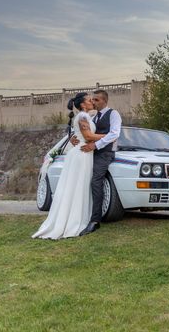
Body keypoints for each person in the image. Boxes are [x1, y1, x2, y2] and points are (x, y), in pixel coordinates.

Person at [32, 93, 105, 240]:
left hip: (84, 154)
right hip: (81, 155)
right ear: (83, 105)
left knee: (80, 187)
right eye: (89, 100)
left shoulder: (85, 117)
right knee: (78, 187)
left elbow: (80, 136)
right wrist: (110, 135)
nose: (92, 101)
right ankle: (73, 221)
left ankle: (77, 217)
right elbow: (88, 136)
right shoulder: (82, 117)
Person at [75, 89, 121, 236]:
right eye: (92, 100)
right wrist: (74, 138)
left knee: (95, 181)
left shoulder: (114, 114)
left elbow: (115, 134)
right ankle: (82, 214)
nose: (93, 102)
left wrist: (95, 145)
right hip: (90, 153)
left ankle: (95, 220)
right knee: (83, 180)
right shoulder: (92, 117)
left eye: (96, 100)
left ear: (104, 101)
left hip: (105, 153)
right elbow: (86, 134)